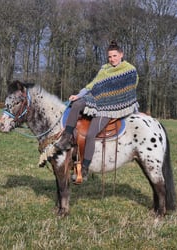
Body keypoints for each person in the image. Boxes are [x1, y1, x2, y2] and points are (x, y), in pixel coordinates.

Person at [55, 40, 139, 183]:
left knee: (90, 134)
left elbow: (130, 90)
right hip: (96, 100)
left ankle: (85, 168)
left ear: (121, 55)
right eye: (109, 57)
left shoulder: (129, 70)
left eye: (114, 56)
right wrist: (78, 95)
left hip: (110, 108)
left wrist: (120, 102)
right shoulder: (104, 69)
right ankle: (66, 138)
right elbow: (92, 86)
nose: (112, 59)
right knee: (76, 104)